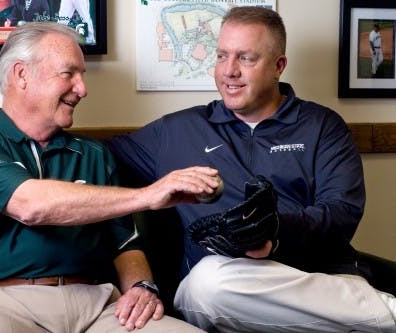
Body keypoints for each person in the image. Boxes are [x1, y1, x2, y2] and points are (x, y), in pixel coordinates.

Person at [105, 6, 396, 332]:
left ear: (278, 66)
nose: (229, 71)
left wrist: (273, 233)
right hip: (221, 291)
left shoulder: (322, 126)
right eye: (221, 56)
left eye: (245, 58)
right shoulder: (176, 131)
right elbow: (95, 157)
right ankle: (383, 313)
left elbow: (341, 213)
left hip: (316, 278)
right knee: (207, 282)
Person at [0, 21, 217, 332]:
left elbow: (124, 244)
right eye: (68, 74)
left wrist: (142, 287)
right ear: (21, 74)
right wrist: (147, 196)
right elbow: (31, 206)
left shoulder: (94, 155)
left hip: (96, 304)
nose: (83, 89)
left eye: (82, 76)